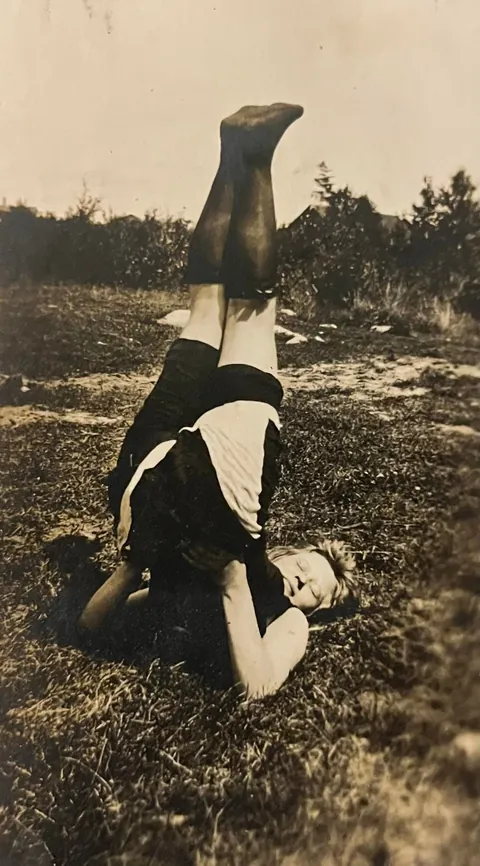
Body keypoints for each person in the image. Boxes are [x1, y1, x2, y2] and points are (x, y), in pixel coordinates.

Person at [78, 103, 357, 699]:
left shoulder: (287, 623)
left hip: (167, 494)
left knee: (241, 311)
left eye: (311, 592)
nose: (300, 584)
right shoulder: (232, 557)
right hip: (192, 494)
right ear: (288, 548)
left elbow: (255, 687)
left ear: (314, 612)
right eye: (308, 568)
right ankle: (237, 153)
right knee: (213, 304)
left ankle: (248, 153)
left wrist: (136, 565)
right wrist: (206, 570)